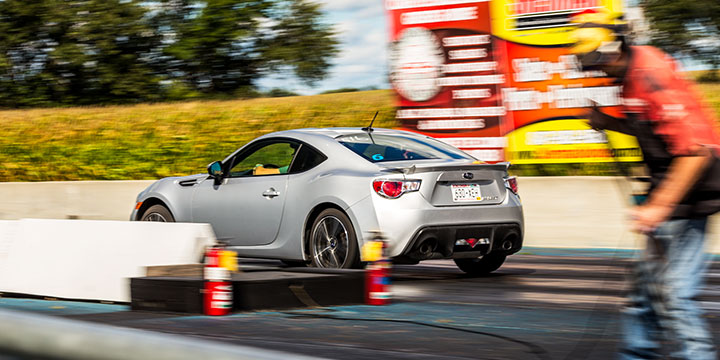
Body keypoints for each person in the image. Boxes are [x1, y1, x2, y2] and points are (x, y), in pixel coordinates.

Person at [570, 9, 720, 360]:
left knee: (674, 293)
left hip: (691, 193)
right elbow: (647, 124)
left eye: (597, 64)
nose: (598, 72)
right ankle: (636, 354)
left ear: (611, 49)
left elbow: (695, 152)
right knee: (645, 294)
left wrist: (658, 207)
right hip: (668, 190)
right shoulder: (627, 76)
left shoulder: (650, 72)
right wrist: (604, 120)